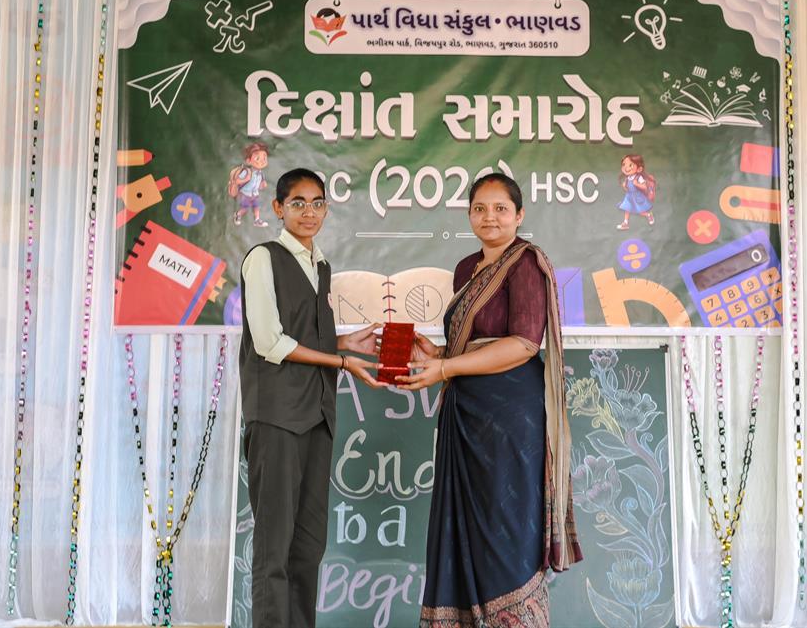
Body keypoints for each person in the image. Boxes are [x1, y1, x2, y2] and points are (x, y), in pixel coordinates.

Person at [395, 173, 582, 627]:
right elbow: (473, 345)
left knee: (506, 530)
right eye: (479, 208)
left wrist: (445, 369)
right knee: (465, 530)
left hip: (510, 420)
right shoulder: (466, 268)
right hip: (466, 416)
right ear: (469, 215)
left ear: (519, 215)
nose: (489, 217)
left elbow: (523, 344)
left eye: (500, 208)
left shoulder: (527, 264)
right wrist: (437, 354)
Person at [239, 168, 386, 628]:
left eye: (317, 203)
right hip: (277, 418)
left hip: (318, 417)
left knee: (307, 548)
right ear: (278, 208)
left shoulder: (321, 266)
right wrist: (342, 361)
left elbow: (305, 336)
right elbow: (270, 341)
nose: (309, 212)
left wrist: (346, 343)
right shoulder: (263, 258)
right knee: (274, 549)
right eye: (298, 203)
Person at [231, 142, 270, 227]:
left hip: (254, 193)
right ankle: (238, 214)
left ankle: (257, 220)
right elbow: (237, 181)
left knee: (256, 206)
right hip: (245, 194)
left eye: (264, 158)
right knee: (245, 208)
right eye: (257, 158)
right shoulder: (247, 171)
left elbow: (261, 182)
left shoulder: (261, 173)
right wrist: (246, 179)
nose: (262, 161)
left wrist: (263, 184)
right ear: (248, 161)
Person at [616, 153, 656, 229]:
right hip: (629, 197)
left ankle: (648, 215)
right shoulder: (628, 178)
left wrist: (637, 184)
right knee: (627, 209)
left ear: (639, 169)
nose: (626, 167)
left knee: (639, 211)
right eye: (624, 164)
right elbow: (627, 189)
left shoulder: (639, 178)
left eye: (630, 165)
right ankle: (625, 223)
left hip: (637, 197)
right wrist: (625, 187)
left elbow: (645, 187)